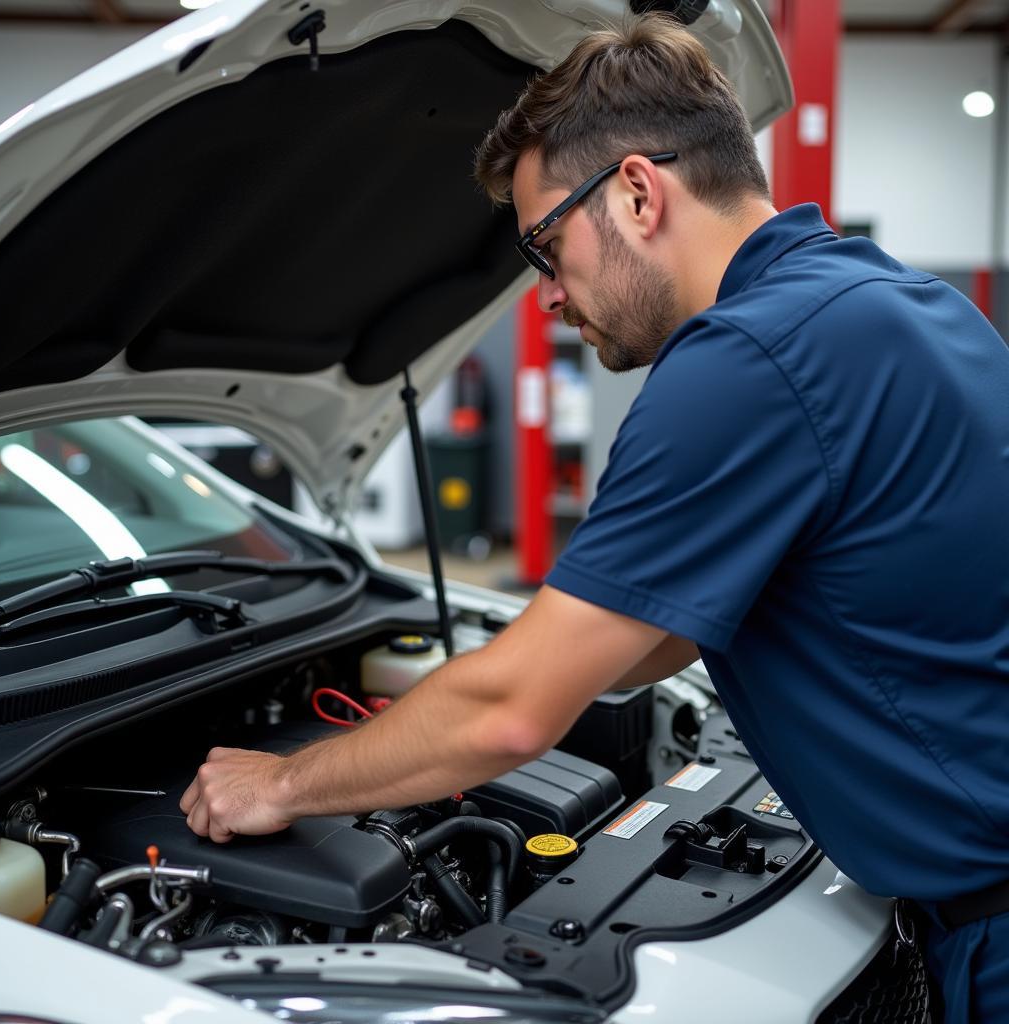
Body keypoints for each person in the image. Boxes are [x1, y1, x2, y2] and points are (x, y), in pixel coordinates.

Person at [181, 14, 1009, 1020]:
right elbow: (656, 633)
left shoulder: (747, 362)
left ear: (635, 189)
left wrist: (285, 784)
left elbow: (511, 712)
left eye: (544, 243)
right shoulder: (886, 302)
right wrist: (518, 671)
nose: (544, 296)